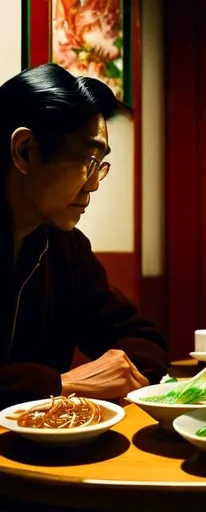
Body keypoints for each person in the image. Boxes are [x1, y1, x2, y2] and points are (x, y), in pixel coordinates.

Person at [0, 64, 169, 410]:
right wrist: (62, 384)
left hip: (46, 454)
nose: (94, 184)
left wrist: (120, 367)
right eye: (89, 161)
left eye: (101, 165)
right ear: (25, 151)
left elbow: (143, 339)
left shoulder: (66, 247)